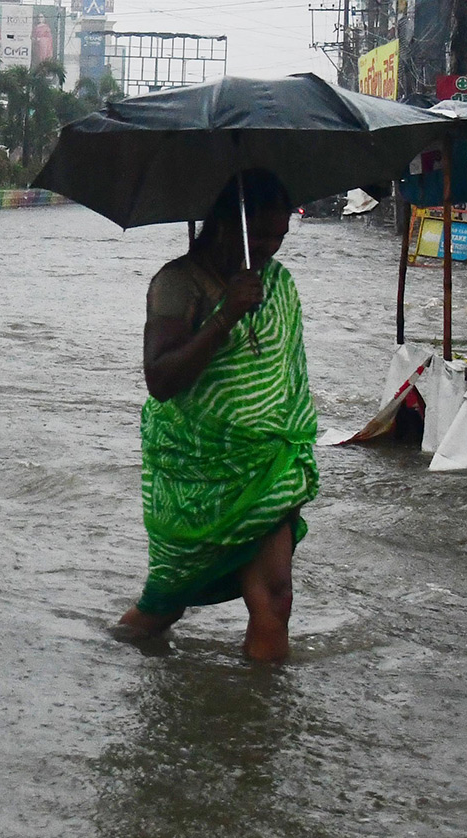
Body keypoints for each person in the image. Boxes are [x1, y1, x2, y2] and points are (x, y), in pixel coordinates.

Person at [116, 169, 319, 662]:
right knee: (165, 606)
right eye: (264, 234)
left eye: (280, 236)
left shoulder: (277, 284)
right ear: (228, 225)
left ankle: (259, 723)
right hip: (197, 473)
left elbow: (282, 376)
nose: (273, 247)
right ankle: (112, 650)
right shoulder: (177, 283)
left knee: (276, 597)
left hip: (267, 463)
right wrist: (226, 314)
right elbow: (161, 381)